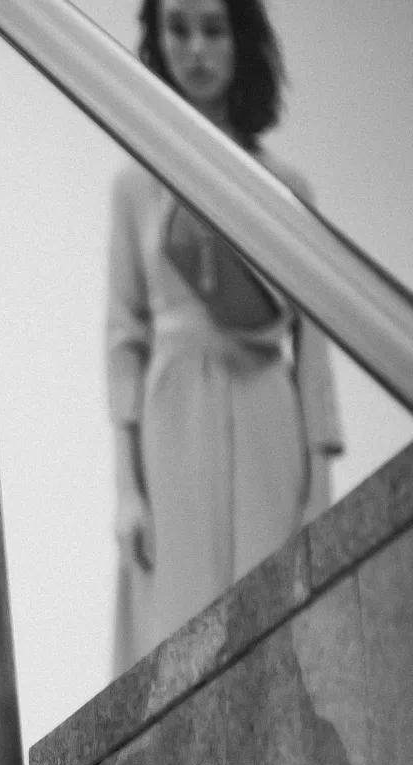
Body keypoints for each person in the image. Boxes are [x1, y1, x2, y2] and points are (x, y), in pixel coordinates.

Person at [109, 0, 343, 674]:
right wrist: (127, 489)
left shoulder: (284, 187)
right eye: (178, 29)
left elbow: (315, 341)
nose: (197, 49)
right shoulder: (135, 187)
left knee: (276, 625)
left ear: (242, 40)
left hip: (266, 409)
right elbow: (123, 336)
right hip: (172, 419)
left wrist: (321, 477)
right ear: (157, 40)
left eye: (214, 28)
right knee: (182, 630)